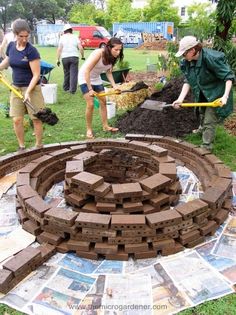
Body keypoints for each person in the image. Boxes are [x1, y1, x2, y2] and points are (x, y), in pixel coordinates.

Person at [173, 36, 235, 150]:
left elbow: (229, 77)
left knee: (209, 120)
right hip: (202, 91)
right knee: (201, 113)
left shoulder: (211, 58)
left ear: (192, 50)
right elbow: (188, 81)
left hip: (217, 93)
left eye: (184, 53)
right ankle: (202, 129)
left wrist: (224, 97)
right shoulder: (186, 62)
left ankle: (206, 147)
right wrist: (180, 99)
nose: (183, 56)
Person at [0, 18, 44, 151]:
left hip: (32, 88)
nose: (25, 39)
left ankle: (38, 146)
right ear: (15, 34)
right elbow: (8, 60)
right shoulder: (11, 46)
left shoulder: (31, 51)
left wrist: (28, 92)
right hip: (15, 88)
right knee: (17, 119)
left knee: (36, 118)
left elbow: (36, 75)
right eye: (21, 36)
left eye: (27, 36)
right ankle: (21, 146)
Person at [78, 37, 123, 139]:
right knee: (91, 104)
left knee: (103, 102)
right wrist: (90, 89)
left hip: (96, 78)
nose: (118, 52)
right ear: (109, 48)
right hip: (85, 77)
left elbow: (108, 72)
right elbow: (87, 71)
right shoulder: (99, 53)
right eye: (116, 49)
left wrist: (115, 86)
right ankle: (89, 129)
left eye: (120, 50)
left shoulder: (113, 57)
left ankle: (105, 126)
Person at [57, 24, 85, 94]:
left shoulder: (62, 37)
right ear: (71, 30)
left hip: (65, 58)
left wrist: (57, 59)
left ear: (64, 31)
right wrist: (82, 56)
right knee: (74, 74)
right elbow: (80, 47)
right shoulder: (75, 37)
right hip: (74, 57)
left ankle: (66, 87)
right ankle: (72, 90)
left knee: (66, 73)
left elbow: (59, 49)